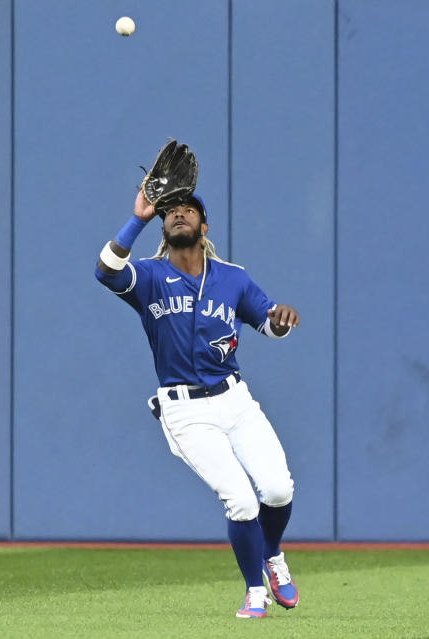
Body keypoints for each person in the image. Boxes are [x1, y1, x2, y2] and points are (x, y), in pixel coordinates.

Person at [94, 187, 301, 619]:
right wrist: (139, 218)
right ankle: (254, 591)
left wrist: (282, 319)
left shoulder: (233, 278)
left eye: (189, 210)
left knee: (279, 489)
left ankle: (273, 556)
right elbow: (106, 271)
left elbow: (268, 323)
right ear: (163, 227)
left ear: (204, 227)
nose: (179, 215)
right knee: (242, 501)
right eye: (171, 212)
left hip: (235, 400)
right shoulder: (149, 276)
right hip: (185, 410)